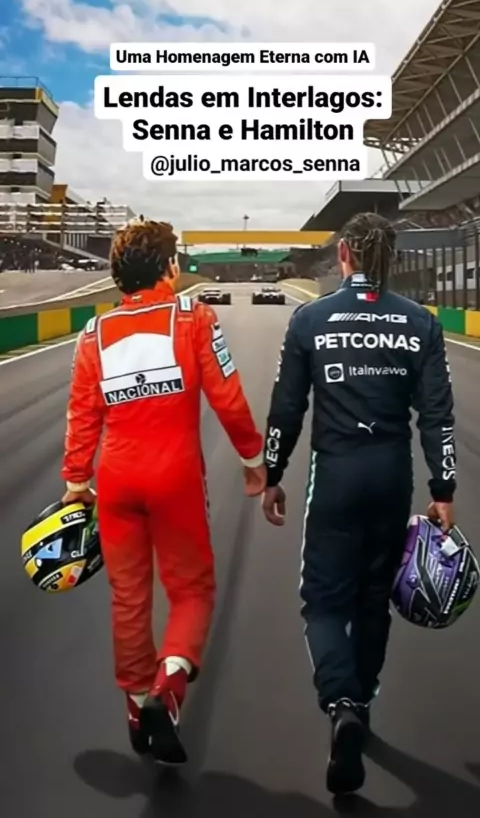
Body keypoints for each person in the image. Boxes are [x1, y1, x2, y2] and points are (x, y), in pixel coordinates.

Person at [261, 212, 456, 795]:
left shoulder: (310, 318)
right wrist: (443, 489)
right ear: (389, 258)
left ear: (343, 253)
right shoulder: (420, 321)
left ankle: (341, 702)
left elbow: (287, 407)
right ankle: (362, 703)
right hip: (392, 475)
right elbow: (438, 414)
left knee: (323, 602)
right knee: (375, 598)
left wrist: (273, 473)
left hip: (336, 475)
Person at [61, 218, 266, 764]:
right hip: (175, 477)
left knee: (129, 598)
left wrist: (77, 480)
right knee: (193, 590)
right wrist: (253, 460)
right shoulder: (193, 318)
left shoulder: (92, 334)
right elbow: (228, 397)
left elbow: (82, 413)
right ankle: (169, 685)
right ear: (169, 267)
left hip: (116, 479)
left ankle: (135, 709)